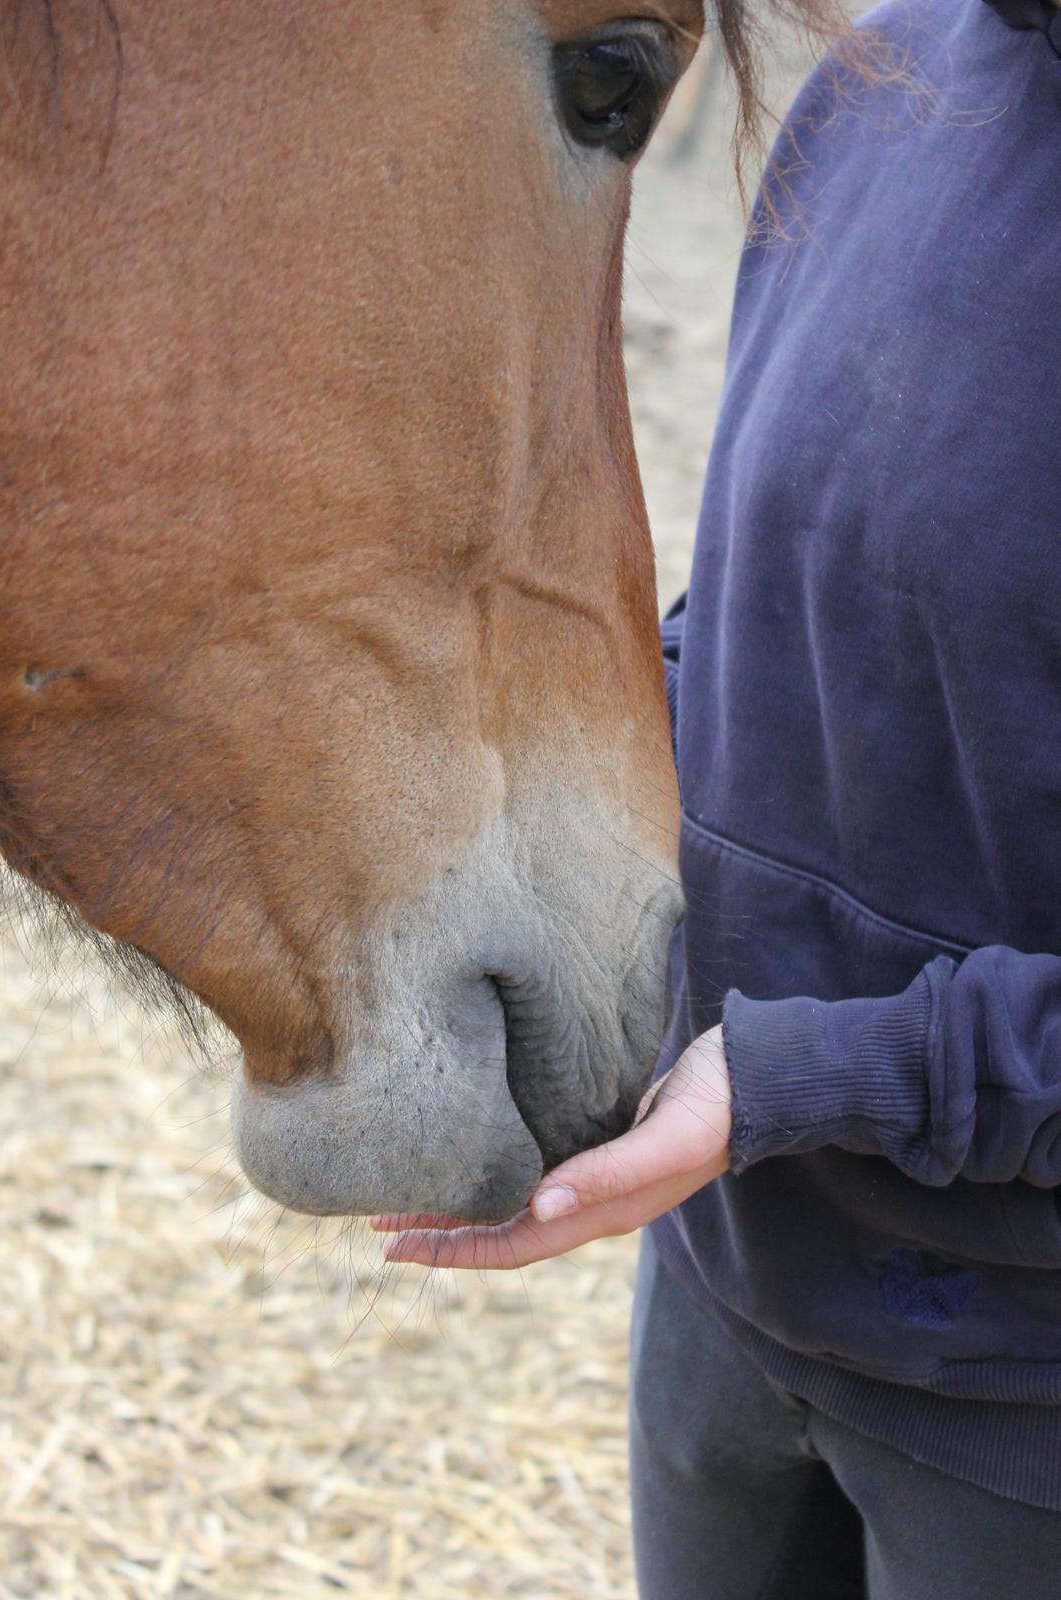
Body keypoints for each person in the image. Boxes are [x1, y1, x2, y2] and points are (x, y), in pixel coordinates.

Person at [375, 0, 1061, 1592]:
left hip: (1020, 1403)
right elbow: (770, 610)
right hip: (730, 1265)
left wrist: (809, 1077)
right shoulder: (897, 72)